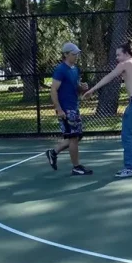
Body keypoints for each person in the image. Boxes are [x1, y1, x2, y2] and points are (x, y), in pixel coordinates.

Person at [82, 40, 132, 178]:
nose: (117, 58)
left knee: (127, 135)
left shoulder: (125, 64)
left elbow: (109, 77)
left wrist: (92, 89)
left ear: (127, 54)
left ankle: (130, 167)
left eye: (119, 55)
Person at [46, 42, 93, 176]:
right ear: (66, 55)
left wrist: (82, 87)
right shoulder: (60, 70)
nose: (76, 56)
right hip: (66, 109)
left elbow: (75, 87)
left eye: (77, 54)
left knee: (77, 137)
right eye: (73, 54)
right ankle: (76, 167)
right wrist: (59, 109)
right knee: (73, 138)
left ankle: (53, 152)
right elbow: (53, 90)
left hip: (74, 107)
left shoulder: (75, 69)